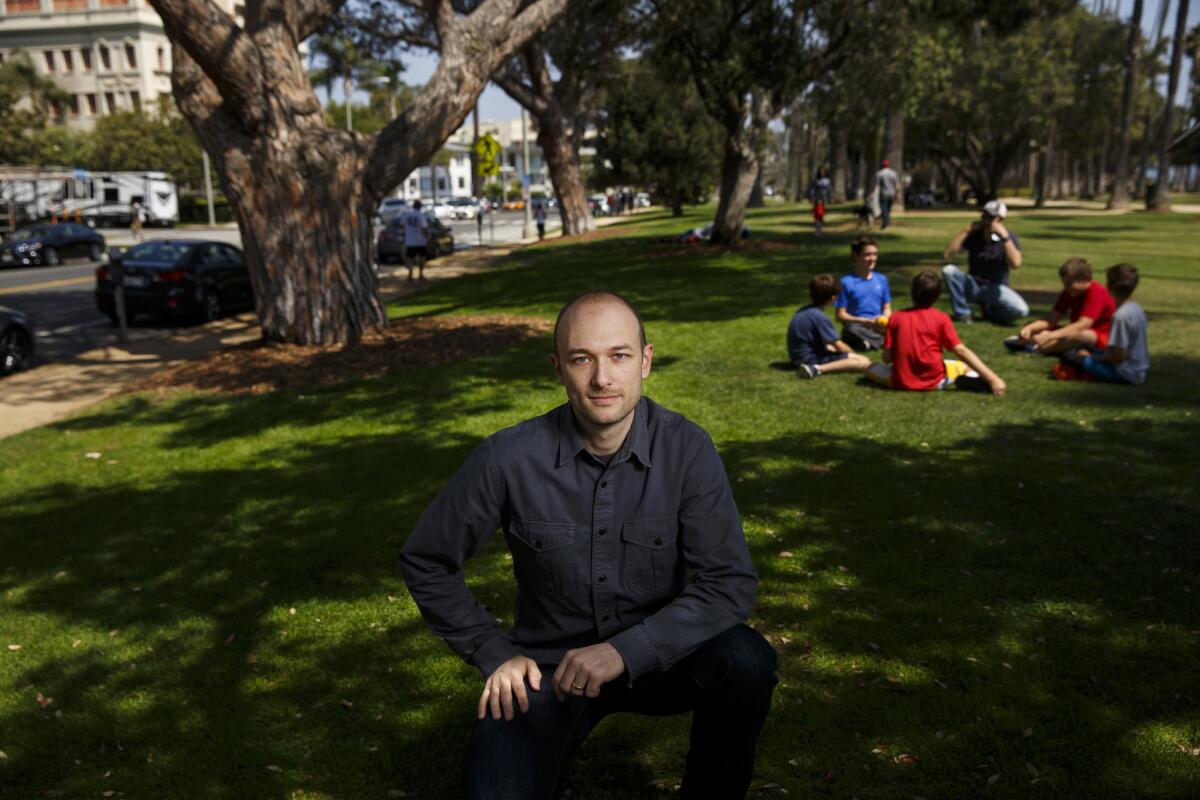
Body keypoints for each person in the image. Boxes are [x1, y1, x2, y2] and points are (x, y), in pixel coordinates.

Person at [400, 292, 777, 800]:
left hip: (662, 656)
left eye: (619, 356)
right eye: (583, 359)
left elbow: (729, 584)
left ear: (645, 360)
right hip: (548, 669)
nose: (602, 378)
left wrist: (622, 652)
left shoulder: (687, 449)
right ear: (559, 368)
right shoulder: (507, 457)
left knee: (748, 661)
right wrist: (493, 651)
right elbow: (427, 559)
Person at [866, 270, 1006, 395]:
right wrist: (993, 377)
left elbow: (886, 358)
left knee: (870, 367)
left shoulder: (896, 317)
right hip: (934, 381)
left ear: (912, 292)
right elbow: (960, 350)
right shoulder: (941, 318)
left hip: (900, 381)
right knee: (964, 367)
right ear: (937, 296)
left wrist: (887, 335)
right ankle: (975, 380)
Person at [1054, 264, 1149, 384]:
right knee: (1084, 349)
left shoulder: (1120, 316)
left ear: (1109, 286)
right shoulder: (1136, 308)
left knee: (1070, 357)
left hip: (1125, 374)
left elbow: (1118, 356)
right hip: (1138, 369)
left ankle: (1085, 373)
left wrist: (1092, 358)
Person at [942, 200, 1029, 324]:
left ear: (1001, 220)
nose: (985, 221)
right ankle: (963, 313)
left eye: (990, 217)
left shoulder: (1010, 238)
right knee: (949, 270)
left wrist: (1005, 238)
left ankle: (990, 312)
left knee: (1021, 310)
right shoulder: (975, 235)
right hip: (973, 284)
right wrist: (966, 230)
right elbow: (948, 254)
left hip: (996, 288)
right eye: (984, 216)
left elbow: (1016, 264)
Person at [1007, 257, 1115, 356]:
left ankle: (1035, 347)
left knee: (1083, 336)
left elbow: (1083, 324)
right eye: (1065, 284)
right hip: (1074, 332)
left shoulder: (1096, 292)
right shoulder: (1069, 292)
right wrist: (1029, 328)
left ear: (1085, 279)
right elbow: (1052, 318)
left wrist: (1050, 336)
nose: (1067, 288)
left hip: (1099, 336)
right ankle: (1036, 342)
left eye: (1070, 284)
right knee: (1033, 326)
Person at [787, 274, 872, 379]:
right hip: (809, 359)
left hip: (797, 357)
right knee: (863, 361)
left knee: (832, 348)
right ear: (833, 298)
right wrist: (851, 355)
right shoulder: (819, 317)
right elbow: (840, 346)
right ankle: (817, 368)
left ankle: (816, 366)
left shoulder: (803, 311)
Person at [835, 235, 892, 351]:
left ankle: (866, 343)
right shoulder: (846, 282)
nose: (872, 258)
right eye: (867, 255)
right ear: (856, 256)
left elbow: (887, 308)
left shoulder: (882, 279)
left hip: (879, 325)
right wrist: (862, 320)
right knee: (851, 329)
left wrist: (884, 317)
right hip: (857, 325)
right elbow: (840, 315)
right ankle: (882, 341)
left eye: (875, 254)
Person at [399, 199, 430, 281]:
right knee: (422, 257)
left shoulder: (407, 214)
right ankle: (420, 274)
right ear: (420, 207)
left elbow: (402, 225)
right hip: (420, 240)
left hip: (410, 240)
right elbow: (424, 228)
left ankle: (410, 275)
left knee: (410, 258)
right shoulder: (421, 215)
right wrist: (427, 237)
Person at [873, 159, 899, 229]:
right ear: (888, 165)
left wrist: (874, 193)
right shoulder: (893, 173)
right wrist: (897, 194)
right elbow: (897, 185)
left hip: (884, 194)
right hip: (892, 194)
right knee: (888, 209)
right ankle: (886, 222)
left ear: (882, 165)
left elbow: (877, 185)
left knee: (884, 209)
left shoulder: (879, 173)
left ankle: (885, 224)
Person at [808, 167, 832, 236]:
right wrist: (813, 198)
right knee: (817, 215)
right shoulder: (816, 180)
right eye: (821, 172)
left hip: (824, 200)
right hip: (817, 199)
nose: (822, 173)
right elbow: (812, 190)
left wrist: (830, 198)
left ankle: (819, 230)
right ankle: (817, 230)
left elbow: (829, 190)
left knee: (821, 215)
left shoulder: (828, 181)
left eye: (823, 172)